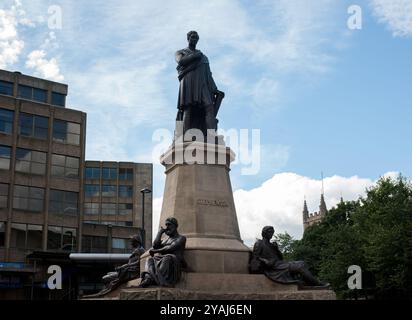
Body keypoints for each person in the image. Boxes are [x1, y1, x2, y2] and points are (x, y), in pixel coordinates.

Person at [175, 30, 224, 136]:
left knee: (209, 106)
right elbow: (181, 61)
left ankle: (211, 135)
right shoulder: (181, 52)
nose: (194, 39)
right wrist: (195, 56)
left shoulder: (203, 57)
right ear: (188, 38)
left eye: (196, 38)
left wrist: (215, 89)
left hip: (202, 84)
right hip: (188, 82)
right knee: (189, 108)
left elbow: (209, 74)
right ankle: (187, 136)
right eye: (192, 37)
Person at [250, 226, 329, 287]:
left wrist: (276, 249)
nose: (271, 234)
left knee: (302, 263)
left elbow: (281, 258)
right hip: (273, 267)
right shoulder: (259, 243)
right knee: (300, 266)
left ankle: (310, 283)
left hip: (279, 263)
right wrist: (265, 260)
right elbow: (255, 257)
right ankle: (316, 283)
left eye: (272, 232)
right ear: (264, 233)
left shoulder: (272, 245)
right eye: (270, 232)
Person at [139, 217, 186, 288]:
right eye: (166, 225)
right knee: (149, 259)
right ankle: (148, 278)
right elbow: (155, 245)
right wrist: (160, 233)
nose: (167, 227)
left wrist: (156, 251)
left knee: (167, 258)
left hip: (175, 261)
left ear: (175, 226)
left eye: (169, 225)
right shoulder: (166, 240)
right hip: (162, 259)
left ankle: (156, 279)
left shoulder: (181, 238)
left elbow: (170, 248)